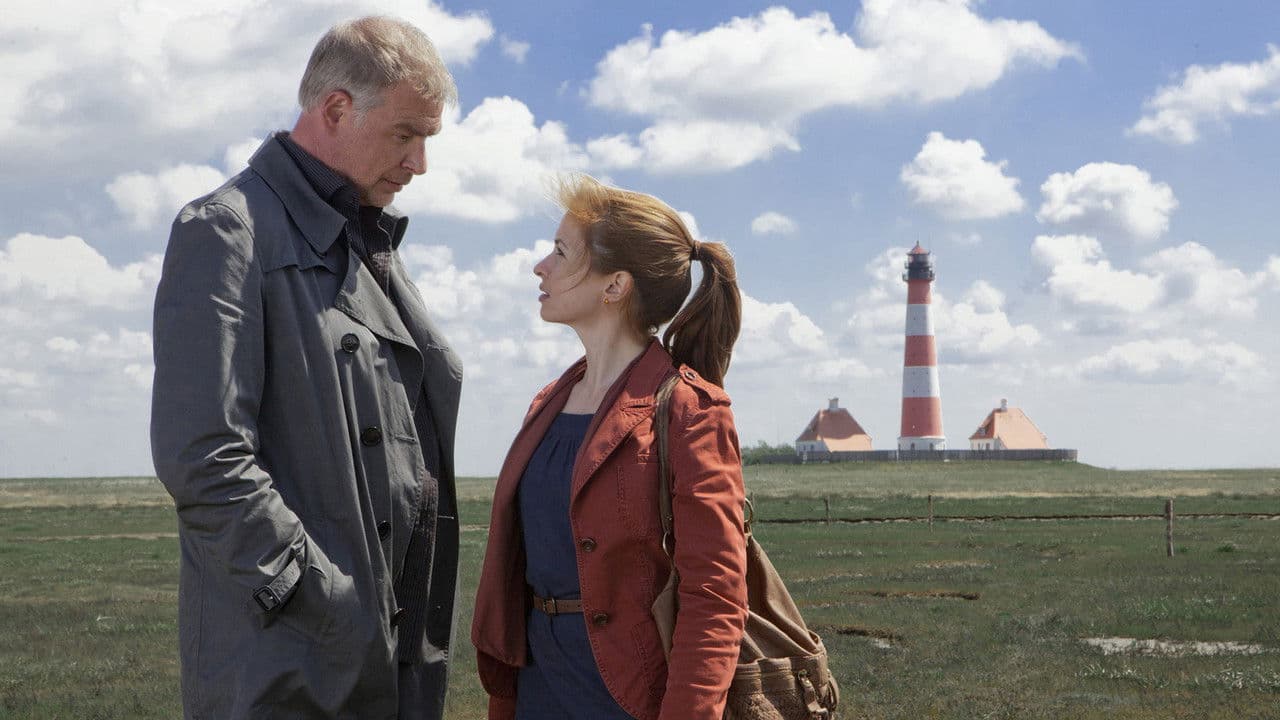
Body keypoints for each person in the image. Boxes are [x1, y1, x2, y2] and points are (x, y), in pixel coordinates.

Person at [150, 16, 463, 719]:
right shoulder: (227, 230)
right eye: (406, 135)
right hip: (290, 668)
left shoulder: (361, 236)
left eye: (426, 140)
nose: (419, 164)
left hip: (384, 656)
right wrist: (324, 598)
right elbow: (203, 454)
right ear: (336, 109)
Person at [471, 175, 749, 720]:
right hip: (535, 689)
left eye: (560, 252)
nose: (540, 267)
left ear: (615, 286)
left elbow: (714, 597)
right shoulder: (548, 402)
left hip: (629, 696)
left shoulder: (691, 410)